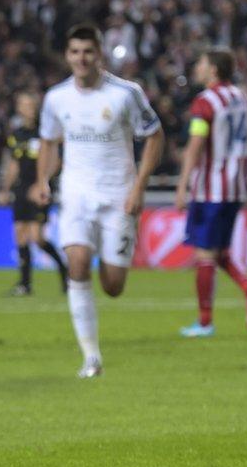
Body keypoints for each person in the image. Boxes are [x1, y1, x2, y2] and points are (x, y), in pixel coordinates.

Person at [30, 24, 164, 378]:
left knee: (113, 285)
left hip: (119, 196)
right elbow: (48, 141)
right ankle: (91, 357)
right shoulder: (56, 97)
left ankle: (112, 275)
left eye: (88, 51)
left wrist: (139, 187)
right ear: (67, 55)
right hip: (75, 194)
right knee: (76, 262)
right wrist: (43, 179)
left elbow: (154, 136)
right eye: (75, 52)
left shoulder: (125, 93)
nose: (81, 58)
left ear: (99, 54)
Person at [175, 48, 247, 337]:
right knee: (219, 251)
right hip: (235, 186)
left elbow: (197, 143)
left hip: (210, 188)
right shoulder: (242, 97)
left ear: (213, 69)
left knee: (204, 253)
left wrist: (182, 184)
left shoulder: (205, 102)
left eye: (200, 63)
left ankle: (204, 323)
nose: (197, 67)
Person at [0, 92, 68, 296]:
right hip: (21, 188)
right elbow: (13, 164)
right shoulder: (17, 134)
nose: (27, 108)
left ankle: (65, 271)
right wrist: (5, 189)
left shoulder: (45, 132)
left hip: (40, 189)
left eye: (30, 104)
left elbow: (57, 160)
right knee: (20, 234)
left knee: (37, 237)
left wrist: (42, 183)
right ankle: (25, 284)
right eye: (23, 104)